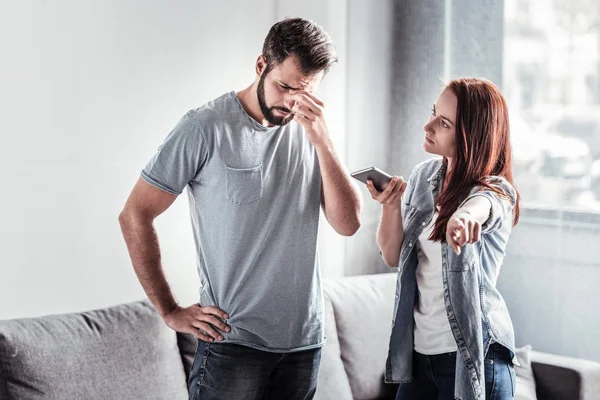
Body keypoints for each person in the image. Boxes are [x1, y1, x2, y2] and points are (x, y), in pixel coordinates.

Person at [118, 17, 361, 400]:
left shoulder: (313, 132)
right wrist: (169, 310)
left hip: (305, 344)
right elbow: (135, 214)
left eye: (305, 92)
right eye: (284, 86)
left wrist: (324, 143)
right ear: (261, 65)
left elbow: (348, 225)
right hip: (233, 344)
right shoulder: (205, 127)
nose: (291, 102)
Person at [368, 78, 520, 400]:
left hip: (475, 359)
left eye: (444, 123)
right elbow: (392, 255)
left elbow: (485, 206)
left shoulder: (496, 191)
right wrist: (391, 206)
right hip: (419, 358)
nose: (428, 125)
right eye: (433, 113)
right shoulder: (423, 176)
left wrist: (464, 217)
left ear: (469, 136)